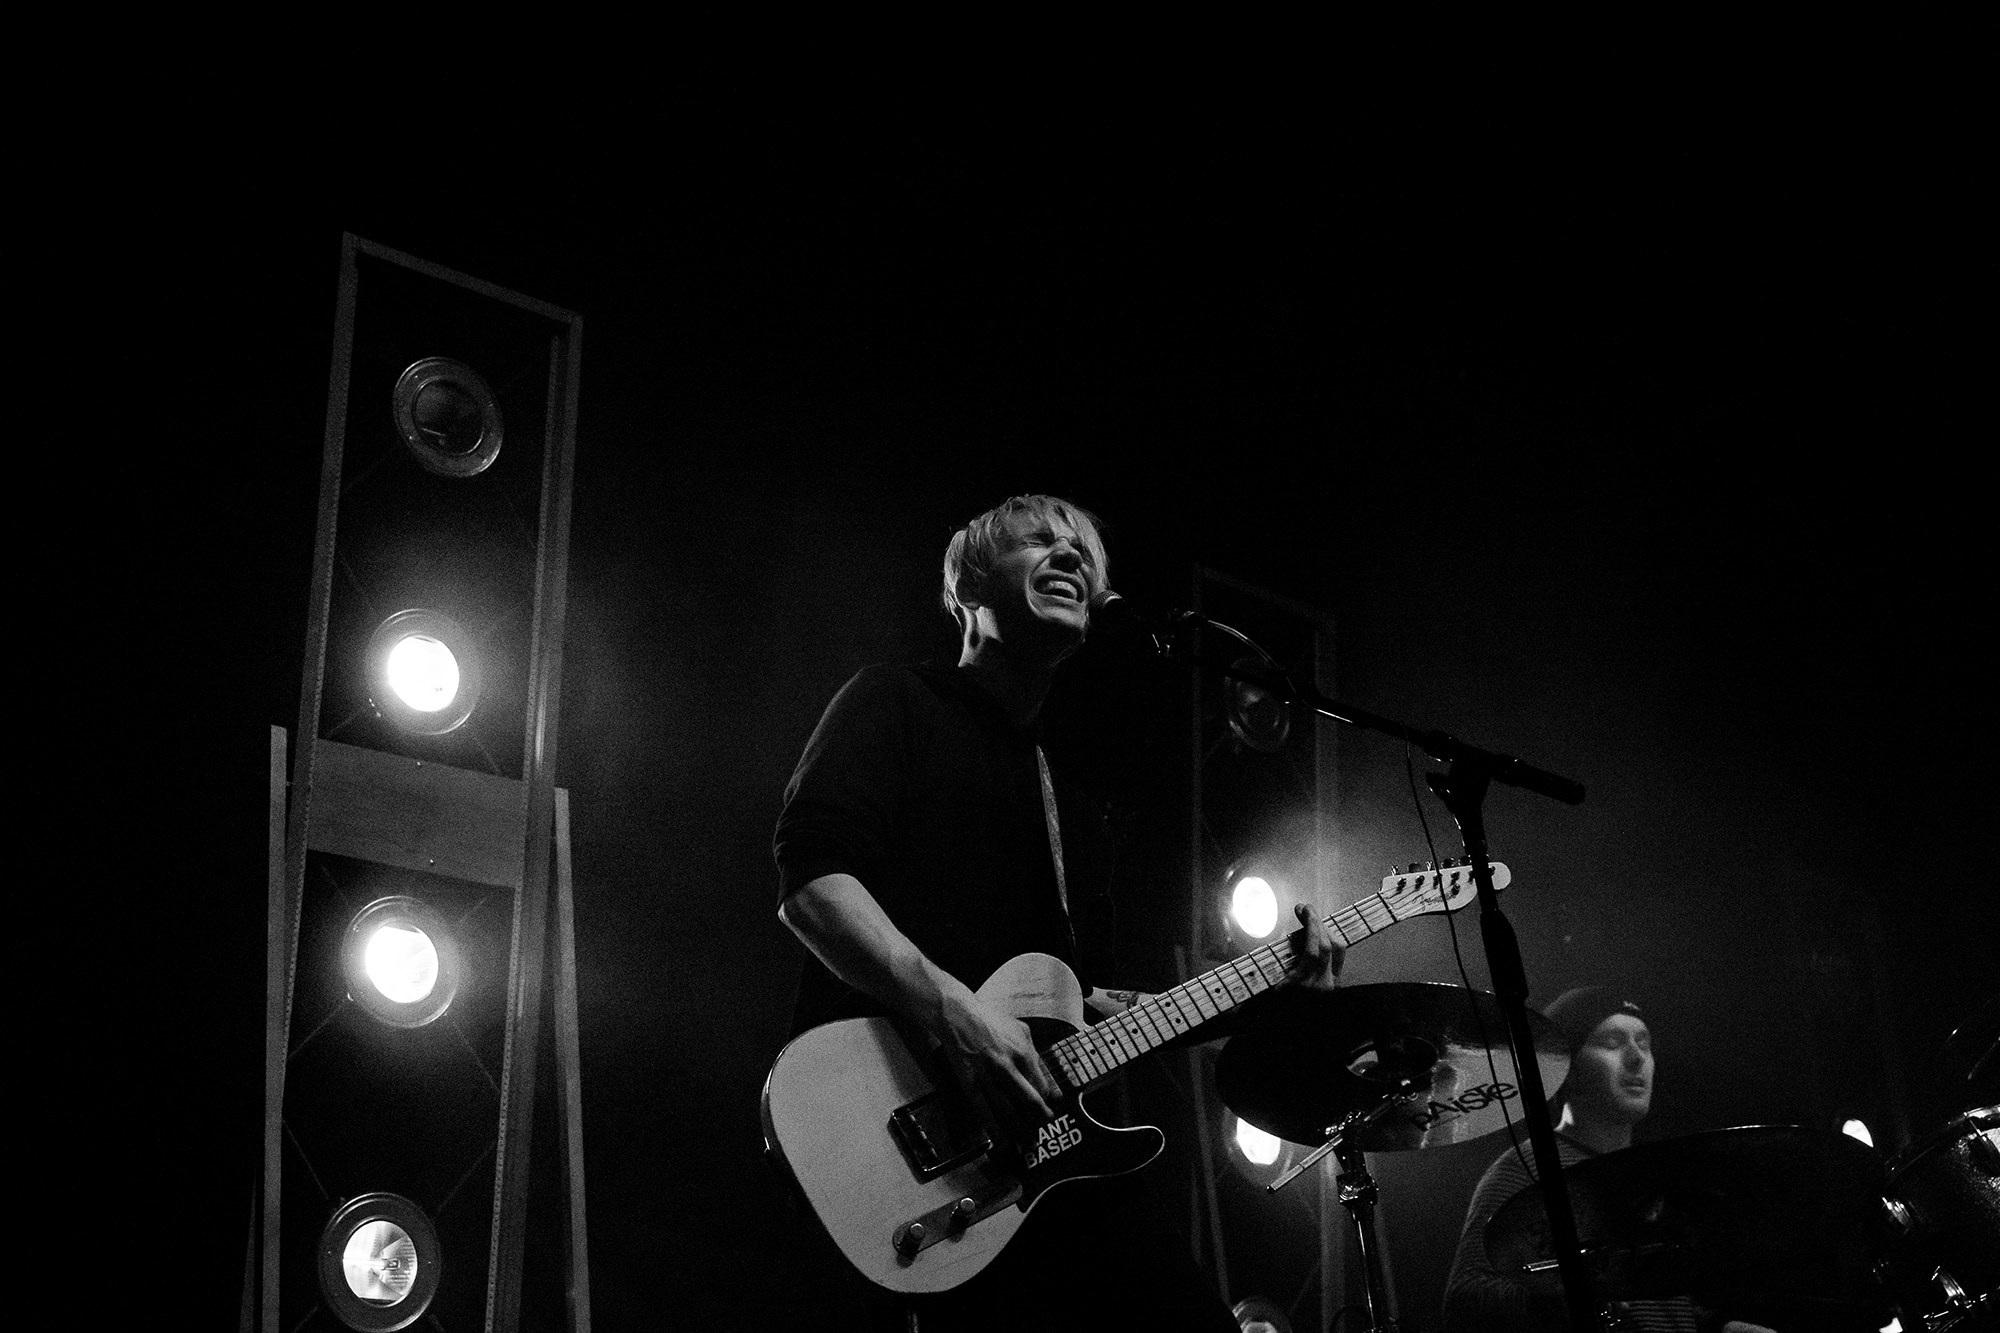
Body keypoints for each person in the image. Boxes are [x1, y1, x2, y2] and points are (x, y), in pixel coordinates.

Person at [773, 494, 1342, 1331]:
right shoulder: (894, 700)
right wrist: (958, 1014)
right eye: (1039, 541)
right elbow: (812, 884)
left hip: (1041, 1166)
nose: (1070, 556)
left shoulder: (1068, 804)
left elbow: (1092, 1008)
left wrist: (1271, 988)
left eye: (1084, 553)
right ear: (970, 584)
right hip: (898, 1133)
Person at [1442, 987, 1777, 1333]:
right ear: (1566, 1069)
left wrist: (1718, 1326)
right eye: (1612, 1043)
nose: (1637, 1058)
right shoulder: (1526, 1167)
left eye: (1644, 1043)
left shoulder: (1651, 1172)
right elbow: (1465, 1300)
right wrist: (1566, 1299)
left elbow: (1654, 1307)